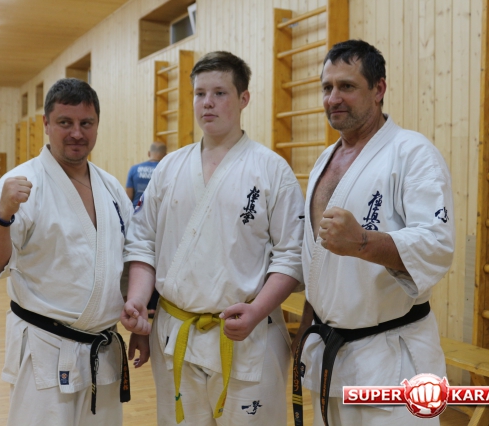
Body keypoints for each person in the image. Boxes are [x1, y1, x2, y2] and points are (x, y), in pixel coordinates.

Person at [122, 51, 305, 426]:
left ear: (243, 98)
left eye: (220, 93)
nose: (207, 102)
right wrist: (138, 301)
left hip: (249, 334)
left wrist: (257, 310)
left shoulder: (271, 170)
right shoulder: (169, 168)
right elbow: (142, 242)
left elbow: (291, 255)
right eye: (200, 93)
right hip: (175, 331)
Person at [291, 40, 455, 426]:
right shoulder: (325, 160)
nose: (333, 98)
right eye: (327, 87)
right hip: (330, 355)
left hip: (393, 361)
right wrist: (304, 330)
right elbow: (319, 266)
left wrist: (362, 242)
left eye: (346, 86)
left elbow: (437, 245)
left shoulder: (413, 153)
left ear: (378, 89)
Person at [0, 78, 134, 426]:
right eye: (65, 122)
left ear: (97, 125)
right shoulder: (22, 183)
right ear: (46, 123)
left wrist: (142, 321)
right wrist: (2, 214)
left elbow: (129, 259)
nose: (76, 133)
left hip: (102, 351)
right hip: (43, 348)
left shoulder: (111, 187)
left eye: (86, 123)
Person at [124, 141, 167, 316]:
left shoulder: (134, 169)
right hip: (160, 220)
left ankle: (140, 301)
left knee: (140, 258)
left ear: (149, 153)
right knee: (159, 259)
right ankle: (154, 304)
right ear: (164, 155)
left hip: (138, 219)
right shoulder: (165, 169)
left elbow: (128, 197)